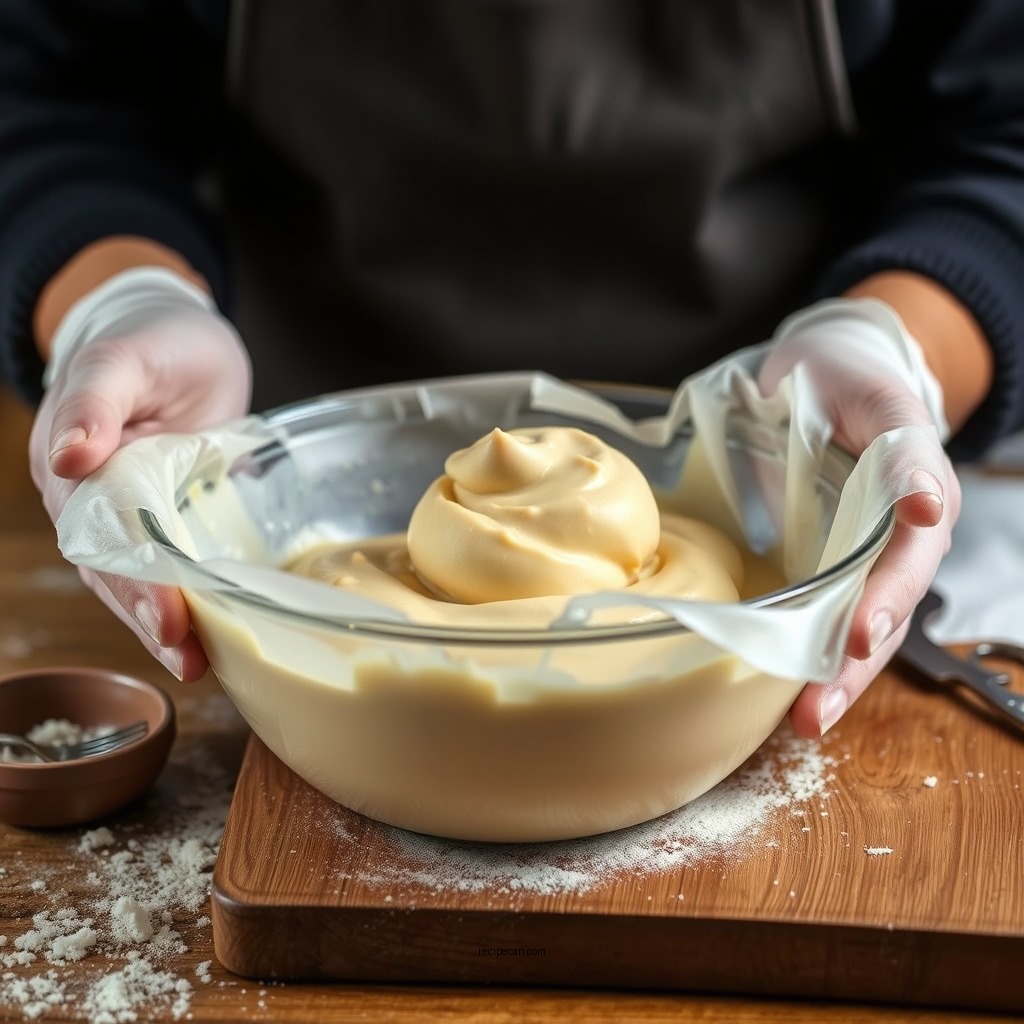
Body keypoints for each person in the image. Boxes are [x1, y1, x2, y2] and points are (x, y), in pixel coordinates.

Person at [1, 1, 1021, 741]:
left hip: (781, 468)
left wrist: (895, 342)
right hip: (271, 477)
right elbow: (44, 85)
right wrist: (122, 297)